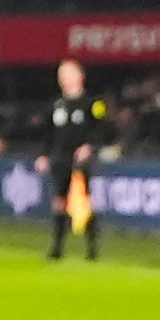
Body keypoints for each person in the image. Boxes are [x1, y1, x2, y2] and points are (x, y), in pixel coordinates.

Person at [44, 59, 107, 260]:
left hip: (82, 159)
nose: (65, 79)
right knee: (59, 200)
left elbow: (101, 130)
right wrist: (45, 155)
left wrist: (89, 146)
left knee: (86, 200)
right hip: (60, 158)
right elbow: (48, 134)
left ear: (80, 76)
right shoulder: (56, 105)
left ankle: (92, 248)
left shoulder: (93, 103)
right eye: (62, 75)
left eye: (69, 74)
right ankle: (57, 248)